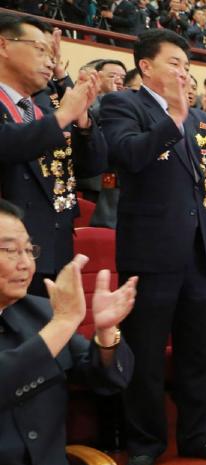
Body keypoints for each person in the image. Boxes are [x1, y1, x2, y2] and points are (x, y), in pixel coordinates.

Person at [99, 29, 206, 465]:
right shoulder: (124, 105)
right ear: (146, 66)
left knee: (197, 350)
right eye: (174, 63)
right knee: (145, 351)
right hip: (149, 251)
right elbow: (127, 155)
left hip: (197, 251)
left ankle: (196, 433)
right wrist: (173, 120)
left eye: (187, 65)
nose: (183, 72)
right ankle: (145, 441)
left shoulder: (200, 117)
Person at [0, 199, 150, 465]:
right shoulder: (55, 320)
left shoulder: (38, 313)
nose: (24, 262)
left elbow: (107, 379)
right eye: (8, 250)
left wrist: (105, 335)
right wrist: (65, 322)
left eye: (28, 250)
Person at [0, 14, 108, 295]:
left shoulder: (43, 112)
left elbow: (92, 166)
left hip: (53, 247)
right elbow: (8, 144)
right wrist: (63, 117)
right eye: (40, 50)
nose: (50, 61)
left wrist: (83, 123)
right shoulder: (52, 117)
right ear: (3, 45)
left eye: (52, 54)